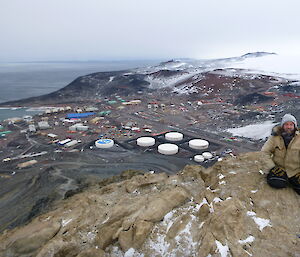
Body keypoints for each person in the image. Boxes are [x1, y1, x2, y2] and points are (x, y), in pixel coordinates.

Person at [261, 113, 300, 195]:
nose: (289, 127)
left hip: (295, 171)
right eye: (286, 124)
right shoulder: (275, 138)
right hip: (279, 170)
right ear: (282, 126)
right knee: (277, 183)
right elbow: (265, 152)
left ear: (295, 126)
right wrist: (272, 167)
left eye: (291, 124)